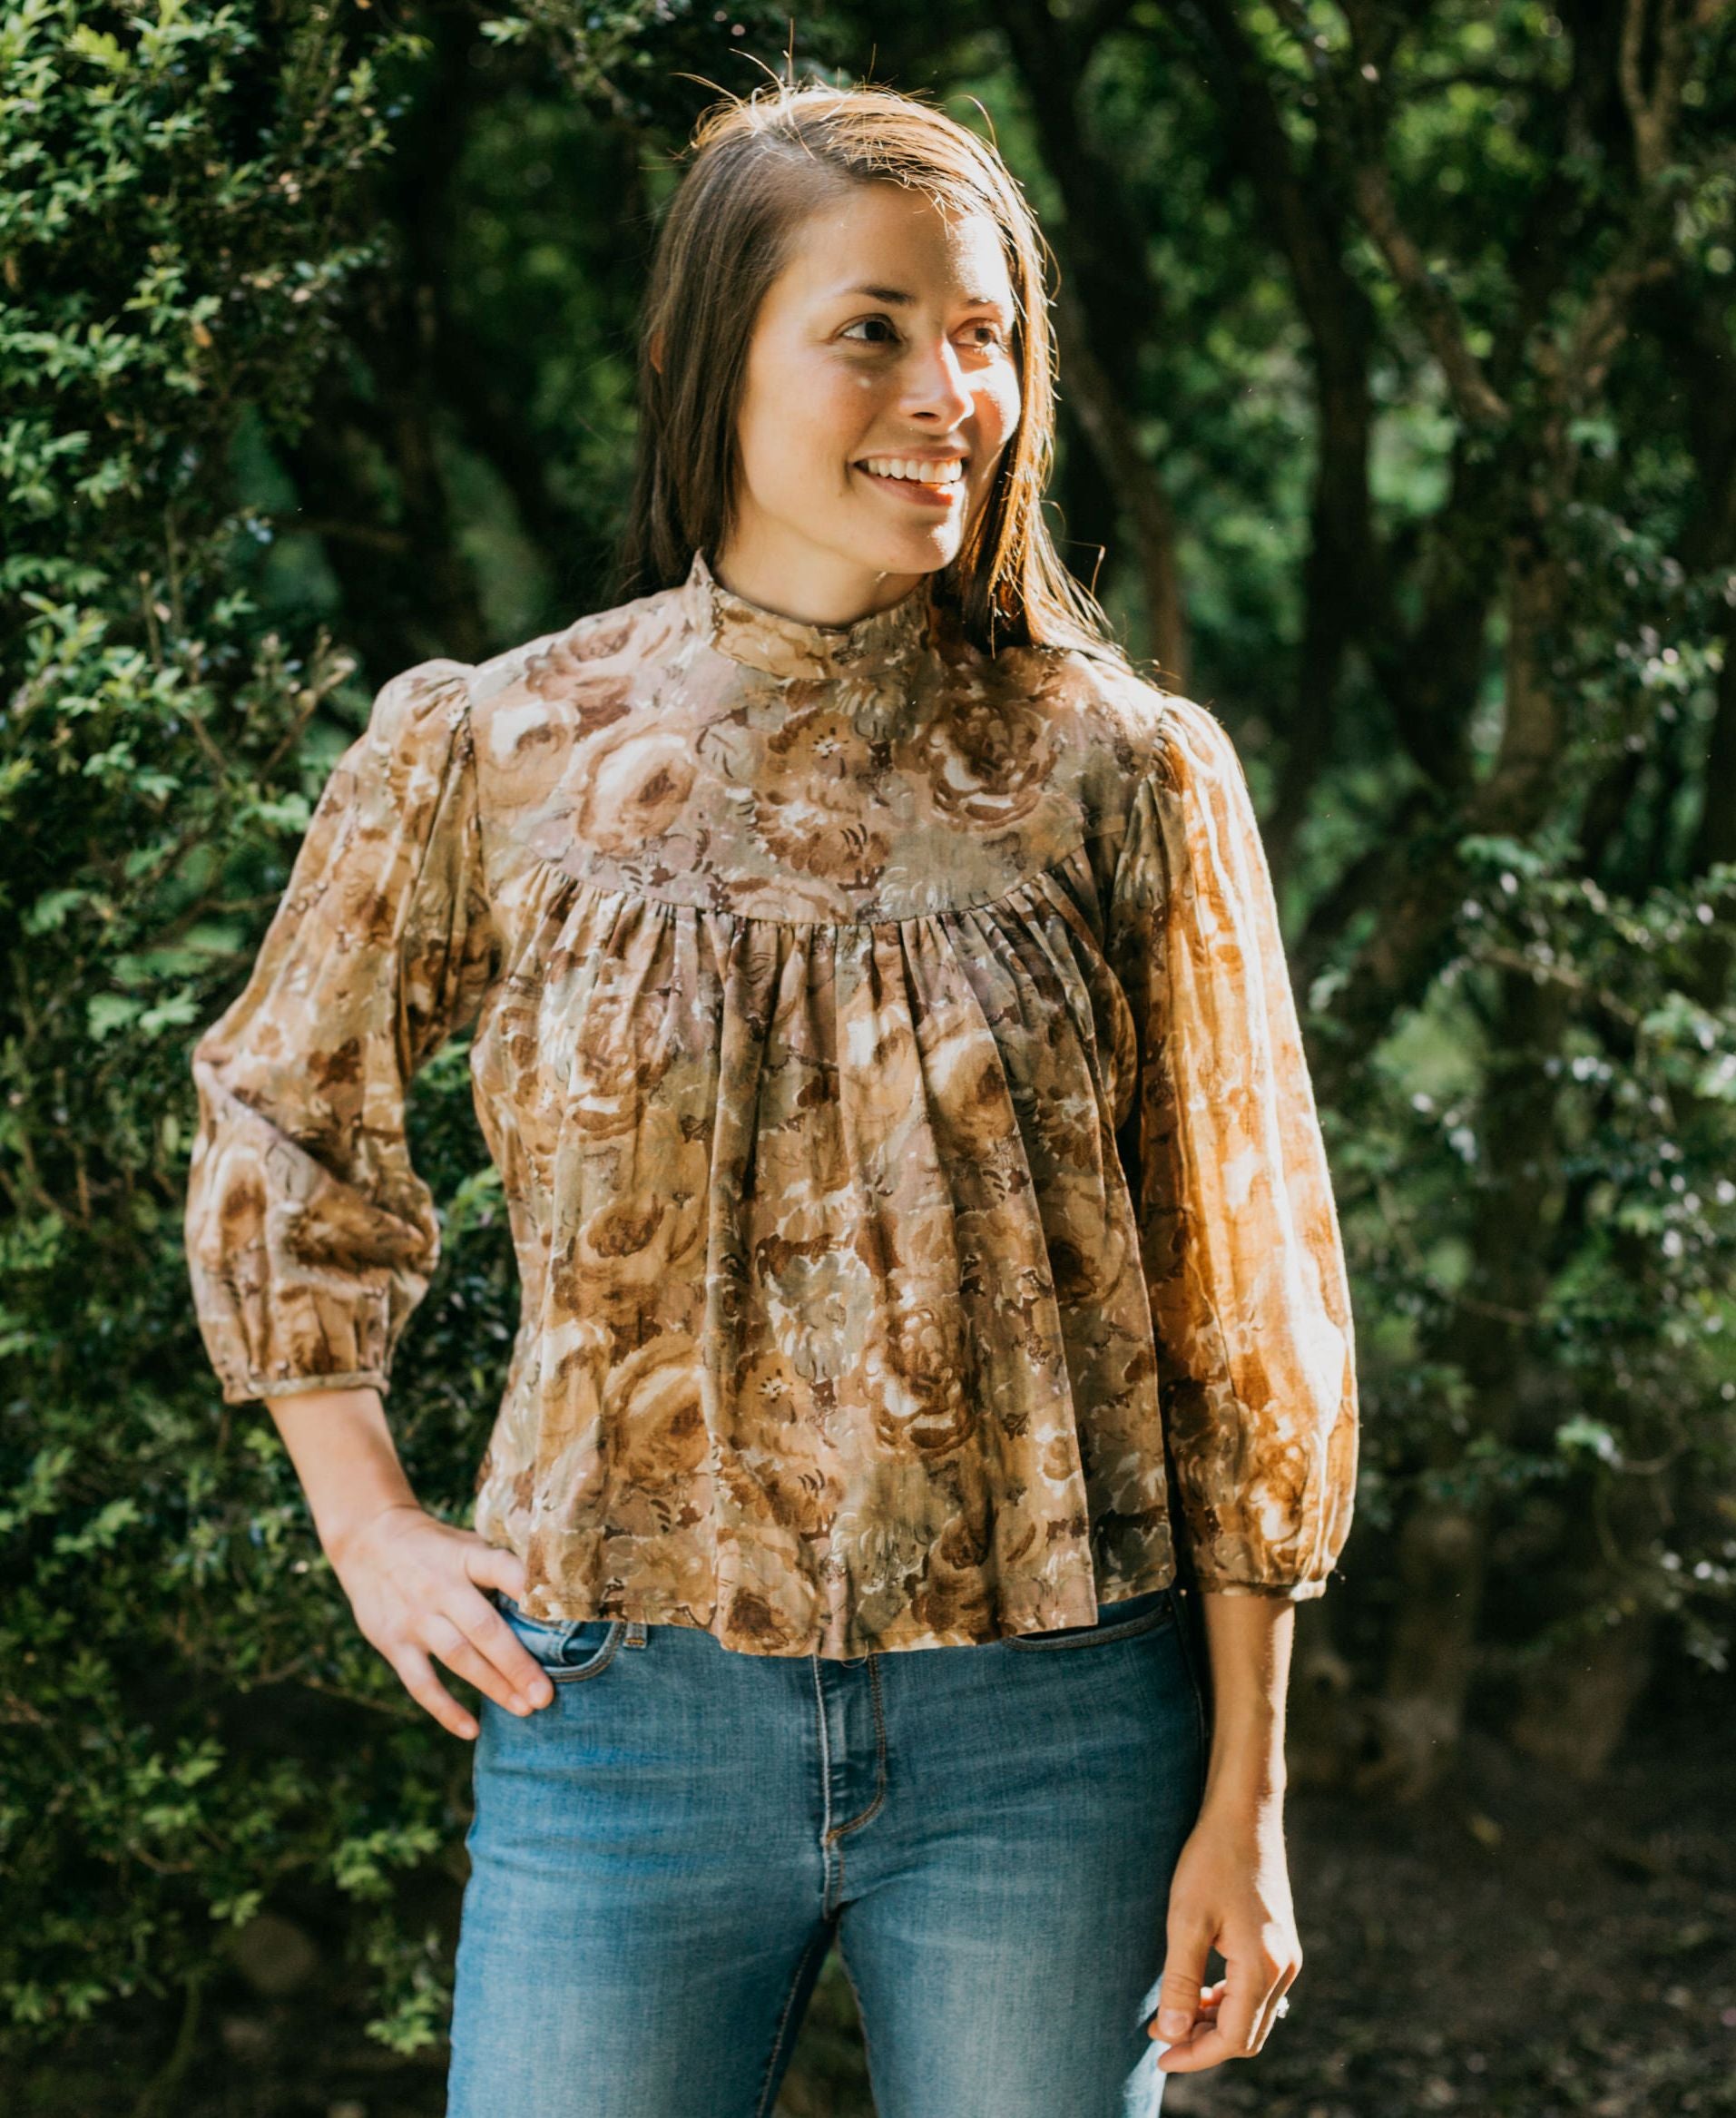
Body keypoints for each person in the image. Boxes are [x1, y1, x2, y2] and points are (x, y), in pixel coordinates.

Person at [182, 75, 1357, 2118]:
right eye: (875, 328)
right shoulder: (501, 749)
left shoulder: (1126, 774)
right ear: (709, 355)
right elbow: (287, 1118)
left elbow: (1244, 1306)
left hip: (1060, 1731)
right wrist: (363, 1520)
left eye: (985, 335)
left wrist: (1244, 1796)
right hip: (622, 1721)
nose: (948, 391)